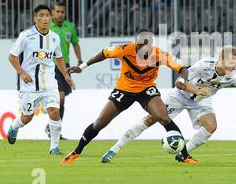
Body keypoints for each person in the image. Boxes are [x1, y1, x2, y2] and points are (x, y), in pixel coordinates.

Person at [101, 46, 236, 163]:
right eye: (231, 62)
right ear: (221, 59)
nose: (234, 66)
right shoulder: (205, 64)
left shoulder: (234, 75)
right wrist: (196, 90)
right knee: (150, 120)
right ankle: (114, 149)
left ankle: (183, 153)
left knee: (211, 126)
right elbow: (179, 83)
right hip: (180, 95)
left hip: (201, 101)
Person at [61, 30, 197, 164]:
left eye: (147, 44)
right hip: (124, 89)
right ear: (135, 44)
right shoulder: (124, 49)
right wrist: (82, 67)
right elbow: (103, 53)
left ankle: (185, 156)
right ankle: (76, 152)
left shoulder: (160, 54)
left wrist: (181, 80)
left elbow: (183, 69)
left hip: (146, 89)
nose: (143, 48)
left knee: (164, 118)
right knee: (100, 122)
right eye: (140, 44)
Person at [6, 4, 75, 155]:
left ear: (51, 18)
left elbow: (59, 58)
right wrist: (22, 72)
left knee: (54, 111)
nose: (45, 19)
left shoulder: (55, 38)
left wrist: (65, 75)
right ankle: (14, 127)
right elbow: (12, 57)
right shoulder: (26, 35)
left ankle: (54, 147)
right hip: (29, 84)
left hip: (49, 82)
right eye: (41, 15)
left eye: (47, 16)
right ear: (35, 18)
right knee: (27, 117)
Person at [45, 3, 83, 139]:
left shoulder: (69, 27)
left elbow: (75, 43)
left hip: (65, 66)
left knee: (62, 100)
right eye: (58, 11)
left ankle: (54, 128)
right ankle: (53, 127)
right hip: (51, 65)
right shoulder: (48, 26)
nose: (60, 14)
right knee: (60, 97)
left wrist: (79, 60)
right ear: (53, 12)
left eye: (62, 12)